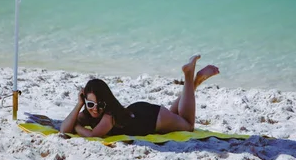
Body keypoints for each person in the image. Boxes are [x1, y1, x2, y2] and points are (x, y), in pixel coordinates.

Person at [60, 54, 219, 137]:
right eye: (90, 104)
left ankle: (189, 76)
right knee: (176, 115)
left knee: (188, 125)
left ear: (106, 102)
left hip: (151, 118)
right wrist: (79, 105)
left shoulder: (108, 116)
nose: (95, 109)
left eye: (99, 104)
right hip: (143, 112)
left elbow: (93, 135)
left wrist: (77, 126)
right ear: (85, 102)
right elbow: (63, 129)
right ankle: (195, 82)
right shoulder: (88, 112)